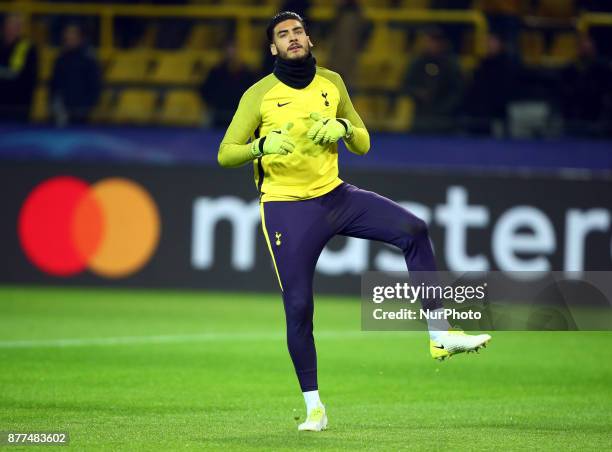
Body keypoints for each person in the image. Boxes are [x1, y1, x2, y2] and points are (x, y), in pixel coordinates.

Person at [217, 11, 491, 432]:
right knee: (299, 307)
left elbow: (363, 142)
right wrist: (261, 145)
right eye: (282, 35)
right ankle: (315, 409)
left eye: (297, 32)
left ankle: (440, 334)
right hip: (287, 207)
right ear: (272, 48)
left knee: (414, 229)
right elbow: (225, 153)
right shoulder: (259, 95)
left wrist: (343, 125)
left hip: (336, 196)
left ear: (309, 39)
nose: (292, 39)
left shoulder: (332, 82)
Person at [402, 27, 464, 134]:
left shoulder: (451, 65)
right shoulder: (419, 62)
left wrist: (443, 108)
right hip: (421, 117)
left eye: (433, 41)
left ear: (441, 43)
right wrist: (417, 93)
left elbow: (458, 91)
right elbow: (407, 85)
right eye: (428, 40)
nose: (429, 44)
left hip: (445, 120)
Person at [464, 33, 520, 135]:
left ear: (501, 44)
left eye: (493, 41)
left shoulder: (507, 65)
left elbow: (506, 90)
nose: (489, 44)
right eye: (487, 42)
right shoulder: (482, 63)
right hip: (479, 112)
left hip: (497, 112)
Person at [559, 34, 612, 136]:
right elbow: (563, 90)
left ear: (594, 50)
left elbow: (607, 90)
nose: (586, 52)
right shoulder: (568, 69)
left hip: (597, 113)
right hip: (573, 114)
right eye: (583, 49)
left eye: (589, 49)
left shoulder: (603, 69)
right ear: (578, 49)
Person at [50, 24, 101, 126]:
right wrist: (54, 102)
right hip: (63, 109)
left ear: (79, 38)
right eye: (67, 37)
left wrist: (87, 105)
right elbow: (55, 83)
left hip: (82, 110)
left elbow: (95, 84)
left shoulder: (88, 58)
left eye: (72, 37)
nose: (69, 40)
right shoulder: (61, 58)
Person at [200, 41, 257, 128]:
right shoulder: (215, 72)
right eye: (228, 50)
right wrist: (213, 104)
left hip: (240, 115)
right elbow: (205, 91)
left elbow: (254, 93)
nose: (231, 54)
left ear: (238, 52)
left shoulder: (247, 73)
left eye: (233, 50)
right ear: (223, 52)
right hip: (218, 114)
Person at [0, 14, 38, 123]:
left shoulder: (26, 47)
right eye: (9, 26)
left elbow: (19, 74)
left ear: (20, 29)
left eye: (16, 26)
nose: (11, 29)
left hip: (19, 103)